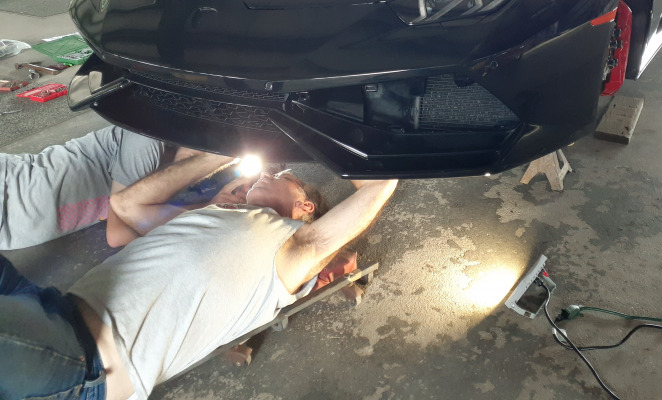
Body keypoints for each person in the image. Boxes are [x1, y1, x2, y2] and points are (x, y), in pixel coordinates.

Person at [0, 152, 398, 400]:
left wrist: (314, 135)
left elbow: (379, 184)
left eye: (285, 174)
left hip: (86, 359)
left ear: (304, 205)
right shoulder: (212, 215)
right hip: (49, 306)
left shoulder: (292, 248)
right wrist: (219, 153)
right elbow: (127, 204)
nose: (268, 173)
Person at [0, 126, 215, 250]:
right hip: (16, 193)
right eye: (201, 157)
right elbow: (118, 235)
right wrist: (211, 208)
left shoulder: (163, 161)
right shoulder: (145, 140)